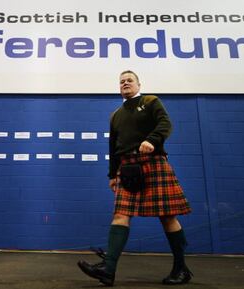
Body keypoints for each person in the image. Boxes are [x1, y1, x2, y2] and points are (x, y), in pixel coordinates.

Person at [77, 70, 192, 286]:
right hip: (127, 168)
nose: (125, 83)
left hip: (153, 162)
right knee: (120, 214)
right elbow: (113, 147)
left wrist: (152, 140)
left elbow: (165, 124)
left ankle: (181, 268)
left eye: (129, 80)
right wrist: (112, 174)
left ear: (139, 84)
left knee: (167, 216)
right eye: (121, 82)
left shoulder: (150, 101)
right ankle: (108, 269)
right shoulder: (115, 115)